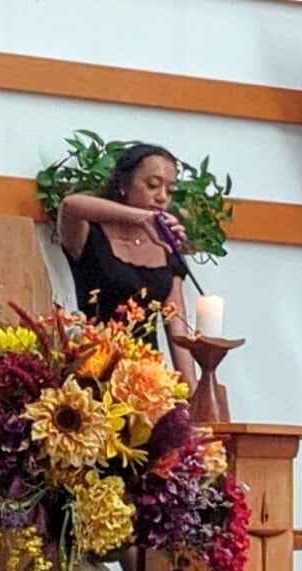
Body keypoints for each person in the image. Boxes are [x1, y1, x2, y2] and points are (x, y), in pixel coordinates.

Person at [58, 143, 197, 392]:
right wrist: (143, 218)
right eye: (152, 185)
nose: (162, 197)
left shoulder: (168, 251)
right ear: (123, 184)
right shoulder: (90, 236)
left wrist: (192, 392)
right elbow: (70, 206)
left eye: (170, 189)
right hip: (93, 376)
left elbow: (177, 328)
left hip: (147, 383)